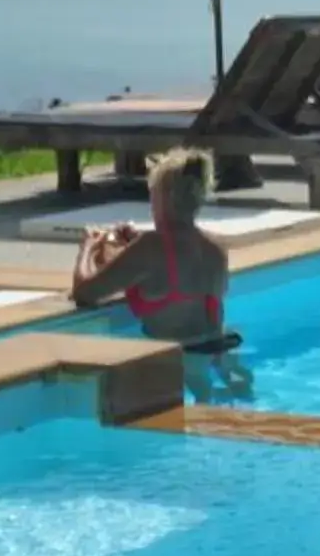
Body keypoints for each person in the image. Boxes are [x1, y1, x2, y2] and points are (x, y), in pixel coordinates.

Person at [70, 149, 254, 397]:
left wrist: (89, 247)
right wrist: (127, 248)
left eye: (152, 196)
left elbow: (85, 292)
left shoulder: (151, 248)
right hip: (217, 350)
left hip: (175, 358)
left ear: (164, 198)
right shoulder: (215, 250)